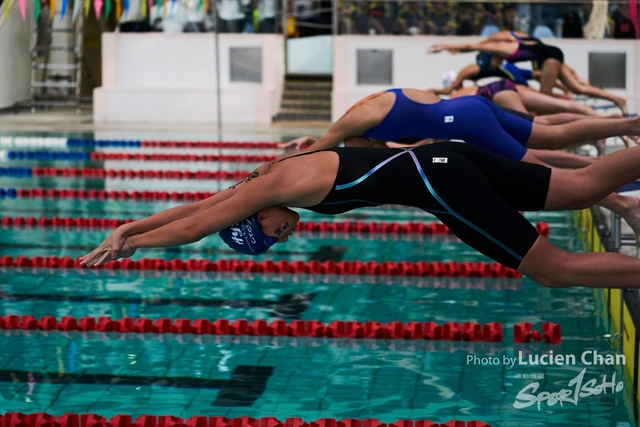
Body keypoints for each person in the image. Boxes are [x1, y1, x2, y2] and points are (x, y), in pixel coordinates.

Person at [81, 140, 640, 289]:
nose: (286, 235)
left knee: (552, 269)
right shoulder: (260, 184)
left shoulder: (270, 187)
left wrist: (135, 246)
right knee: (585, 186)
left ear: (254, 219)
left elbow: (194, 227)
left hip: (435, 178)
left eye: (272, 236)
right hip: (442, 158)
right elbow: (202, 207)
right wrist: (127, 226)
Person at [429, 30, 629, 113]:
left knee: (545, 100)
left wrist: (445, 46)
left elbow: (474, 46)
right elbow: (477, 45)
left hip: (548, 58)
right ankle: (619, 100)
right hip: (550, 55)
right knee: (577, 87)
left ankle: (583, 114)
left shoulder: (503, 47)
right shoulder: (512, 41)